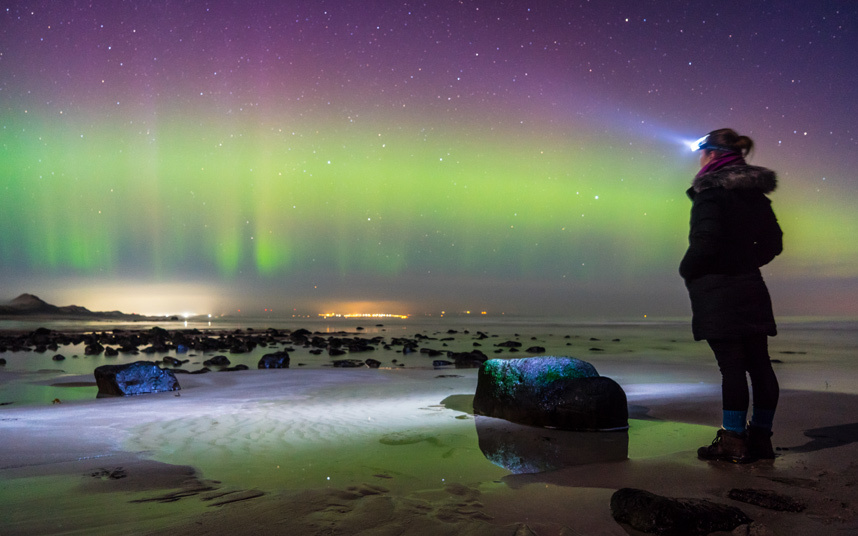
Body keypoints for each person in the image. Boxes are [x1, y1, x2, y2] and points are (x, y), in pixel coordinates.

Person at [679, 128, 783, 463]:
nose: (699, 158)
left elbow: (705, 241)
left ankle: (733, 441)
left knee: (732, 368)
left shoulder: (710, 194)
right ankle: (761, 440)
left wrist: (688, 269)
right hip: (750, 286)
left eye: (701, 152)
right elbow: (774, 243)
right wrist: (746, 263)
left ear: (711, 155)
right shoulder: (756, 197)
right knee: (760, 365)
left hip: (718, 291)